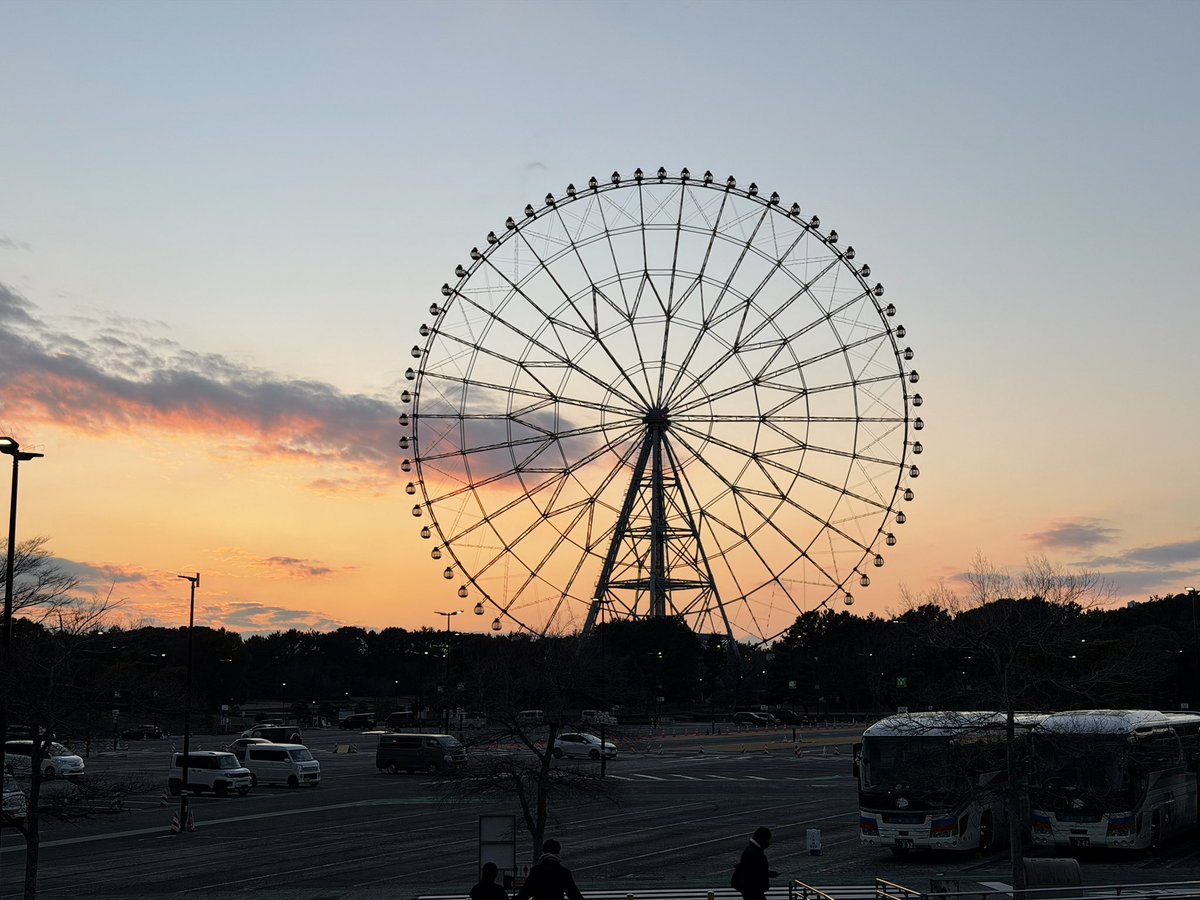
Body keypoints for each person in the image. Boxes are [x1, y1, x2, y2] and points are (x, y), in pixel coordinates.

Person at [514, 838, 585, 900]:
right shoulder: (563, 872)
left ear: (543, 852)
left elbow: (525, 893)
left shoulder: (536, 871)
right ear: (558, 852)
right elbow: (574, 895)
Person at [732, 826, 779, 900]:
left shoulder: (751, 851)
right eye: (767, 840)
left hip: (752, 891)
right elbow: (754, 872)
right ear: (762, 839)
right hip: (754, 891)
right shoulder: (754, 852)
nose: (768, 843)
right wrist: (769, 874)